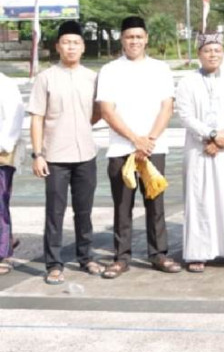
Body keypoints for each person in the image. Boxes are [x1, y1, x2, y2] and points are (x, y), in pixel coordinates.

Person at [96, 16, 179, 278]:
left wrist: (149, 140)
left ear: (146, 39)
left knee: (155, 204)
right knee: (122, 205)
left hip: (154, 149)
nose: (134, 41)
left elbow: (167, 107)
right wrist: (135, 139)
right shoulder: (110, 70)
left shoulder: (160, 69)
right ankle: (121, 257)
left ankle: (159, 254)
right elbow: (107, 111)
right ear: (122, 39)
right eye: (129, 37)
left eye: (138, 37)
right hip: (121, 150)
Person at [27, 21, 102, 284]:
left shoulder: (92, 77)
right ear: (58, 46)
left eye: (76, 43)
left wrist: (81, 126)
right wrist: (38, 154)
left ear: (83, 47)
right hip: (55, 157)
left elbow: (98, 111)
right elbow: (36, 117)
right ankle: (54, 263)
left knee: (84, 211)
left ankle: (86, 257)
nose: (71, 47)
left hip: (86, 155)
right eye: (66, 42)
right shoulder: (46, 78)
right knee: (54, 212)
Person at [175, 33, 224, 272]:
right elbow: (186, 116)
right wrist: (211, 135)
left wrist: (223, 139)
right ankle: (198, 253)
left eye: (217, 50)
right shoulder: (187, 82)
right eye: (208, 51)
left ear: (223, 53)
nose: (212, 55)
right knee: (200, 200)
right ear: (199, 54)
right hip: (199, 150)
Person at [0, 67, 25, 276]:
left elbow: (14, 120)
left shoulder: (5, 83)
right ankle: (7, 239)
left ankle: (3, 253)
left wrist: (3, 146)